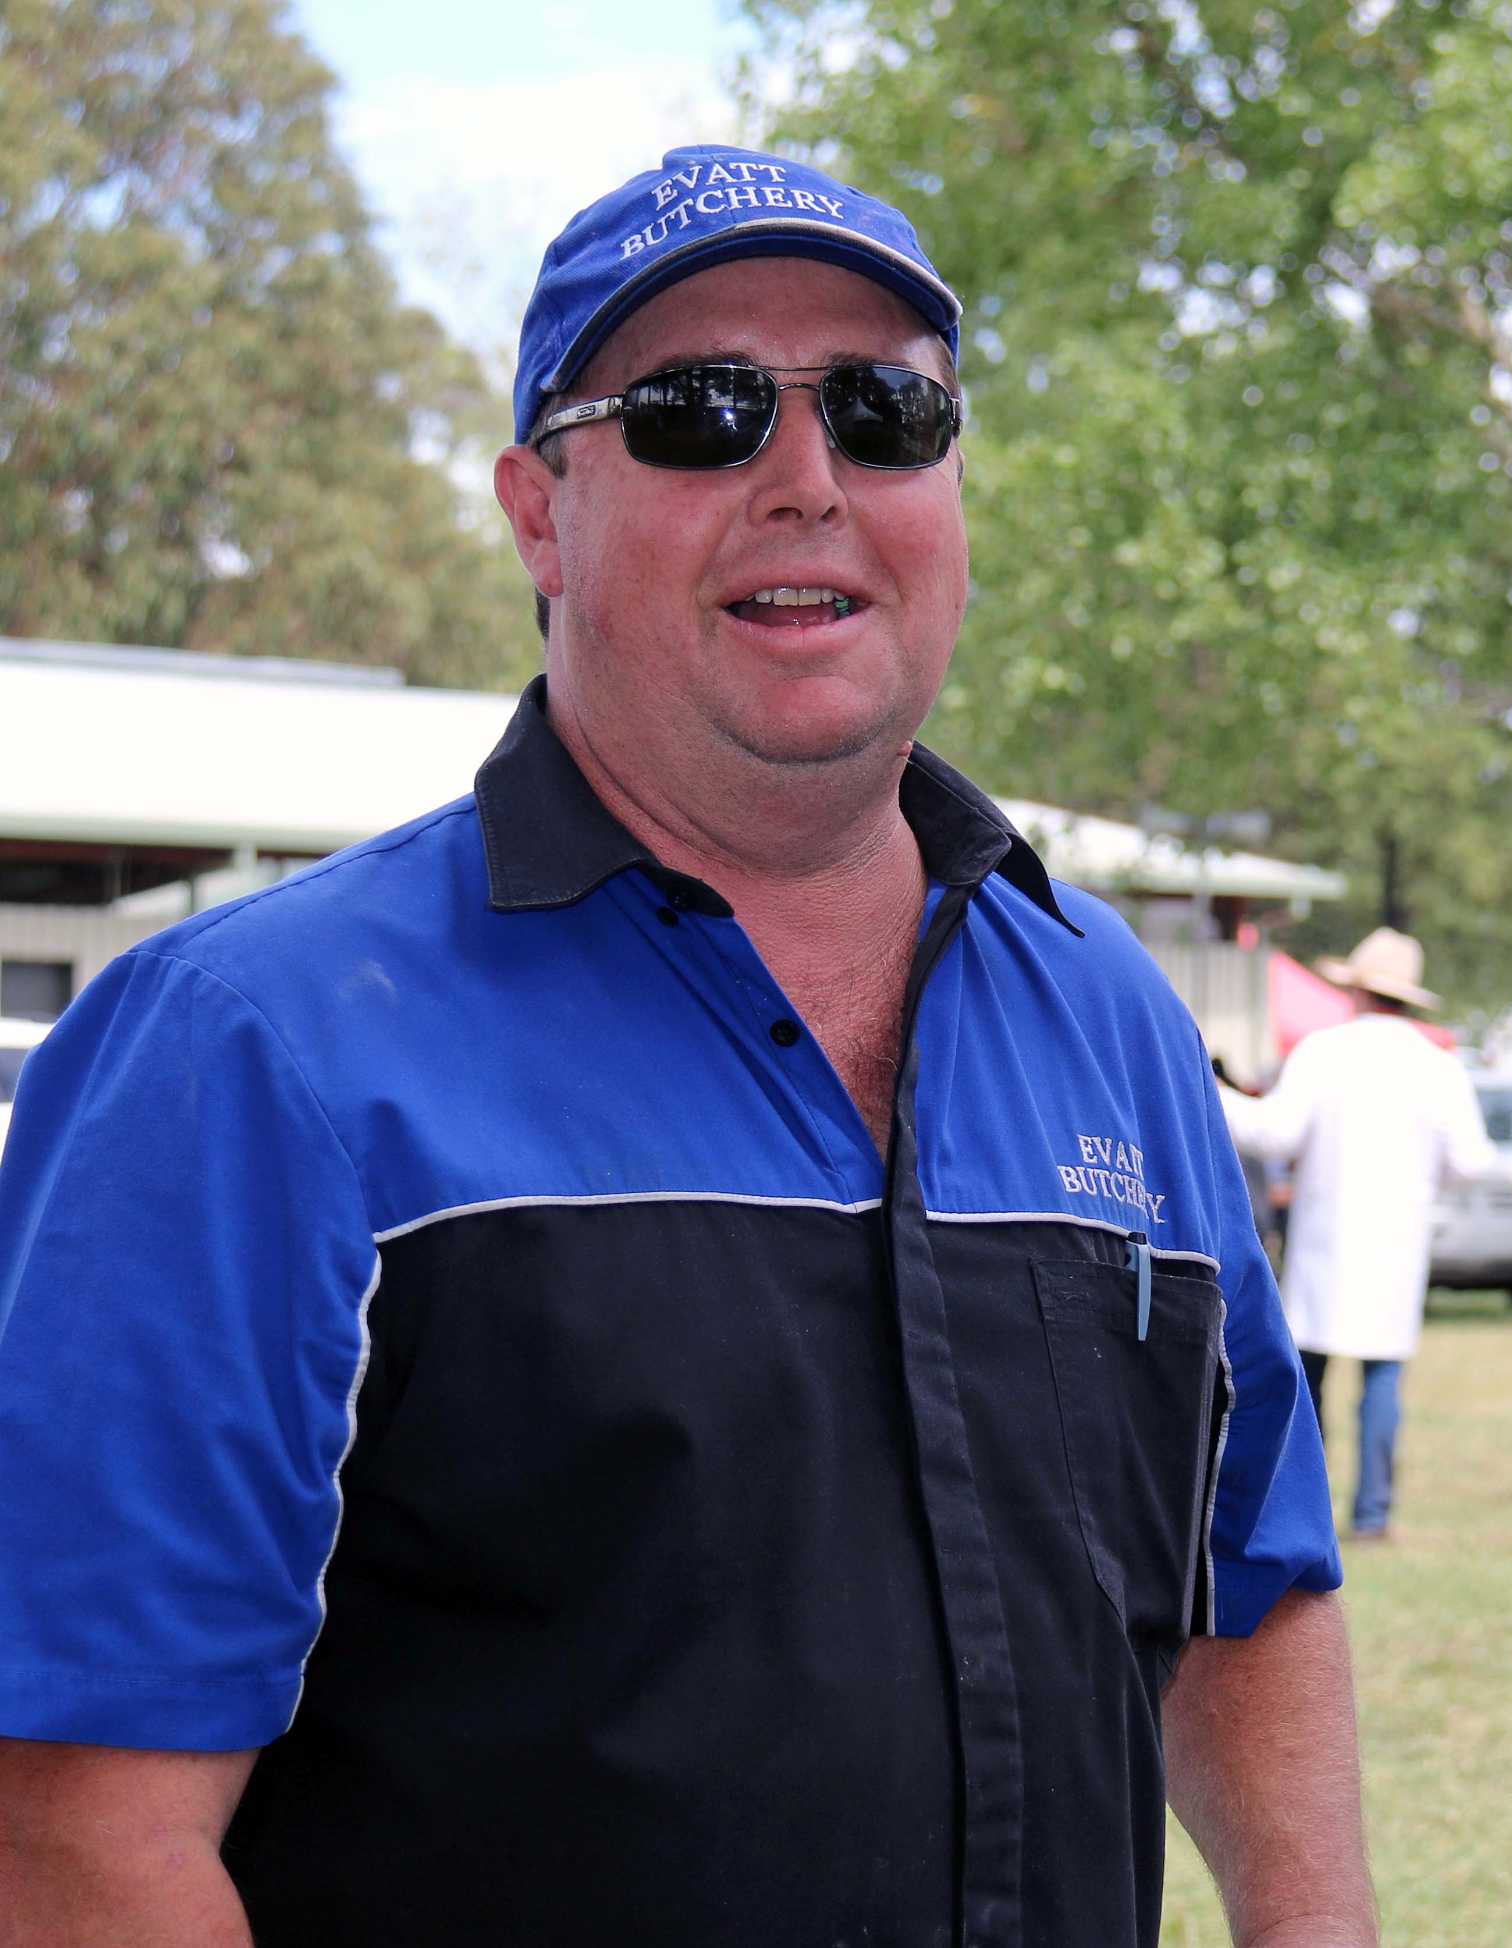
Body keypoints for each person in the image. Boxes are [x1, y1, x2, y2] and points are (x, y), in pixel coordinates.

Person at [0, 145, 1374, 1948]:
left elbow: (1247, 1585)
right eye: (699, 411)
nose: (806, 479)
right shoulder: (250, 1052)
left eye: (887, 411)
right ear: (537, 512)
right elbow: (69, 1836)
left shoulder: (1103, 1012)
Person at [1223, 927, 1493, 1541]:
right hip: (1396, 1248)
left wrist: (1213, 1095)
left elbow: (1274, 1135)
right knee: (1382, 1378)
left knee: (1308, 1379)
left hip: (1325, 1243)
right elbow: (1472, 1160)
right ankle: (1373, 1512)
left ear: (1358, 990)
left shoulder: (1325, 1051)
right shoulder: (1438, 1065)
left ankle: (1301, 1509)